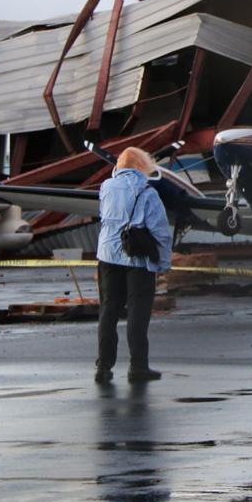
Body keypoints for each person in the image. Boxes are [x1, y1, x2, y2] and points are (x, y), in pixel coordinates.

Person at [94, 147, 172, 384]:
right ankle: (138, 367)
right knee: (138, 314)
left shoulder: (106, 187)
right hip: (138, 259)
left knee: (109, 310)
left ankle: (103, 367)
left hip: (107, 256)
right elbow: (160, 231)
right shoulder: (148, 192)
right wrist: (164, 263)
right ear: (143, 166)